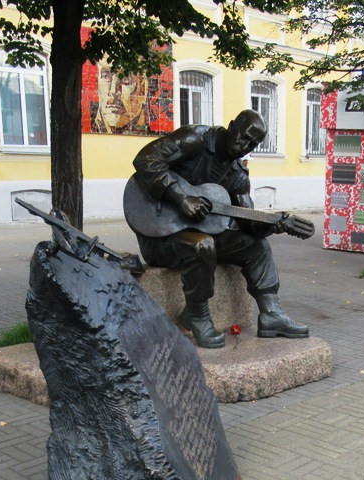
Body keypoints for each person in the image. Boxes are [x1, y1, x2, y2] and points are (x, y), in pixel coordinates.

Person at [131, 109, 308, 348]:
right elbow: (146, 159)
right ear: (232, 125)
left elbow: (248, 221)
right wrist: (180, 197)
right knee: (202, 245)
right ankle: (197, 314)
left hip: (200, 235)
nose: (245, 146)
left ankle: (271, 314)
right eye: (244, 137)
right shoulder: (195, 140)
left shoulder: (238, 175)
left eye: (253, 144)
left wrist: (271, 225)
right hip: (158, 234)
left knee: (256, 246)